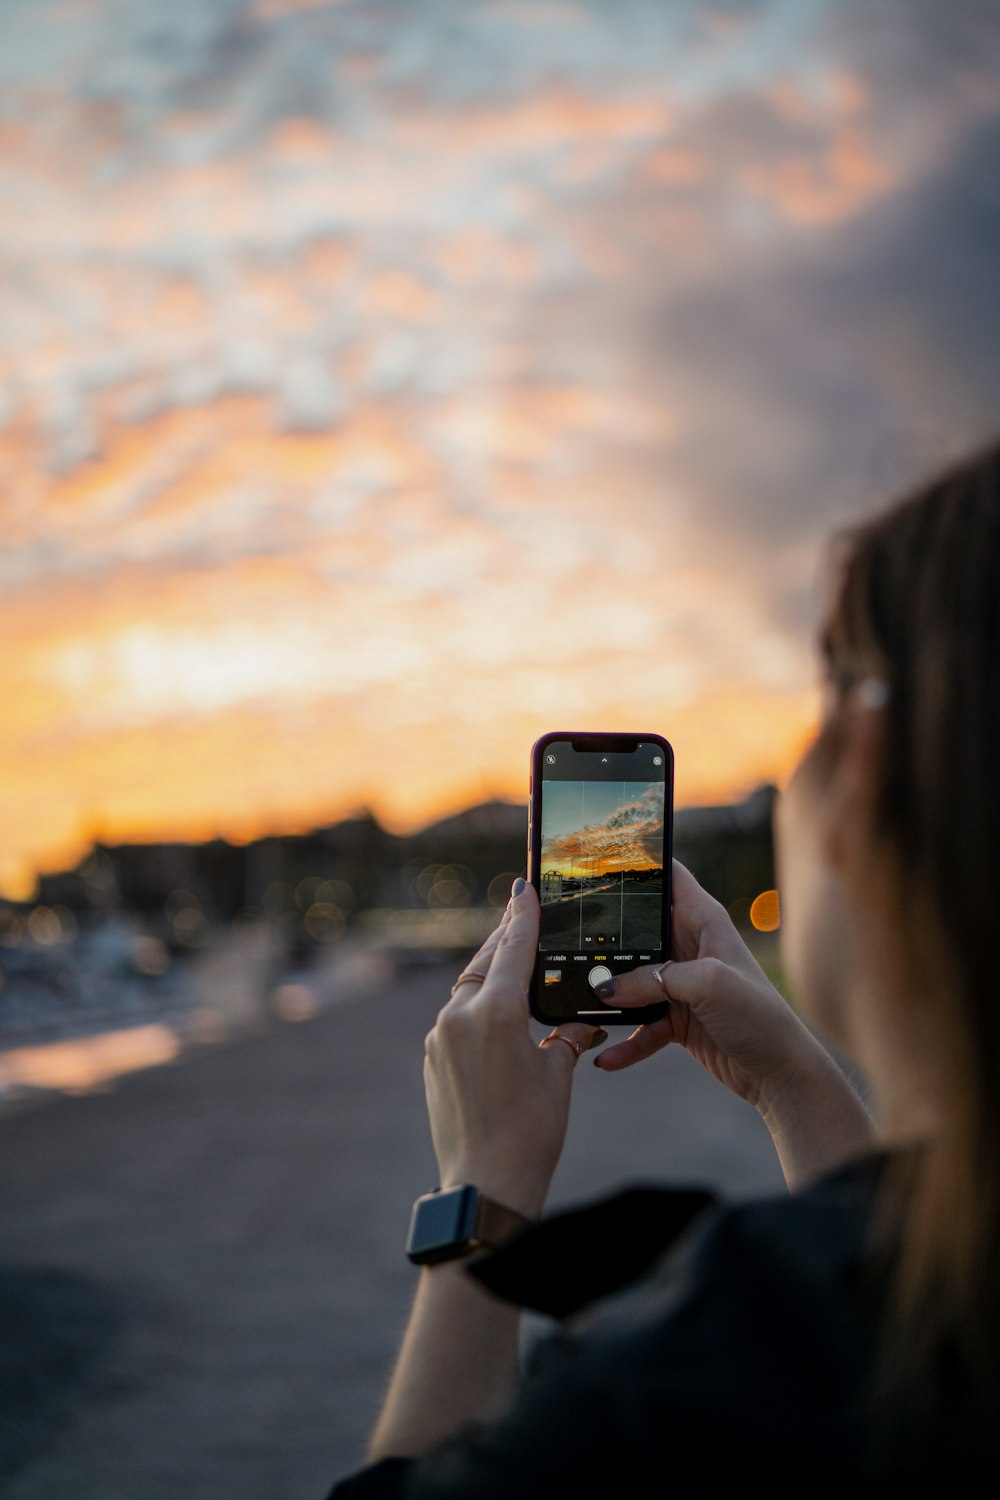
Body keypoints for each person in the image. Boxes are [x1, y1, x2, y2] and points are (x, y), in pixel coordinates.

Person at [329, 441, 1000, 1495]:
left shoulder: (693, 1375)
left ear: (860, 767)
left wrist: (481, 1193)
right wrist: (791, 1080)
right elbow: (892, 1308)